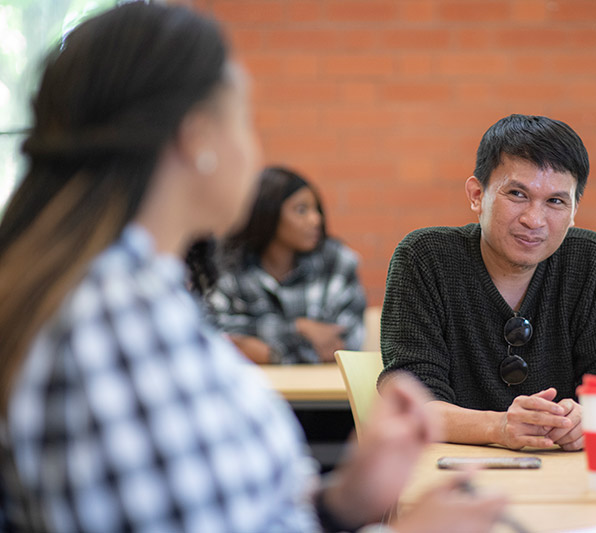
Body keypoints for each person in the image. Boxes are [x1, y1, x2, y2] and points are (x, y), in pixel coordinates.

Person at [0, 3, 505, 532]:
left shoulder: (140, 291)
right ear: (197, 140)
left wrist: (344, 502)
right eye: (245, 119)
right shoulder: (112, 320)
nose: (253, 147)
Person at [380, 114, 596, 452]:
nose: (534, 220)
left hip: (564, 477)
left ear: (575, 209)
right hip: (450, 477)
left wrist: (585, 418)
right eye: (517, 194)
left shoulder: (589, 260)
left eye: (556, 201)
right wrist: (498, 426)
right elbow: (411, 402)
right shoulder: (426, 258)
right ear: (477, 194)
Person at [207, 166, 366, 364]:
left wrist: (268, 353)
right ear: (268, 214)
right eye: (301, 210)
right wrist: (300, 327)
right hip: (253, 387)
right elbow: (213, 336)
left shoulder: (337, 262)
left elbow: (347, 344)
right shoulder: (230, 265)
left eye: (316, 209)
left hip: (325, 391)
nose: (315, 219)